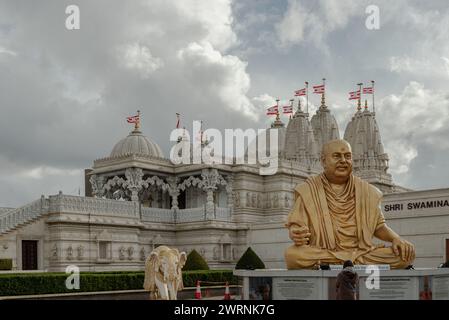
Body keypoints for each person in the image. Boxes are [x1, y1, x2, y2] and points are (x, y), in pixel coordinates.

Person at [285, 139, 415, 269]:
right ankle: (347, 263)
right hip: (324, 251)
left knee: (405, 255)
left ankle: (333, 264)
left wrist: (396, 239)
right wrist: (295, 232)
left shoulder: (368, 191)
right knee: (293, 255)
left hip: (360, 251)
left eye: (347, 156)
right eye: (337, 156)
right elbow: (297, 226)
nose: (343, 160)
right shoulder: (308, 189)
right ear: (323, 161)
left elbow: (379, 226)